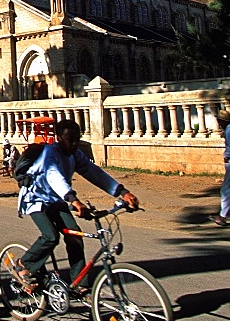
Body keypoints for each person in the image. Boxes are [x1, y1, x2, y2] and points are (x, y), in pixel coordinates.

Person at [15, 119, 139, 294]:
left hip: (56, 200)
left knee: (75, 235)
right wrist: (74, 201)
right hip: (36, 199)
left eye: (77, 139)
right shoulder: (50, 154)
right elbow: (54, 177)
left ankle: (78, 284)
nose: (74, 144)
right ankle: (24, 264)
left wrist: (122, 192)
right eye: (70, 140)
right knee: (50, 236)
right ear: (58, 138)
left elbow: (94, 173)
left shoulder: (75, 155)